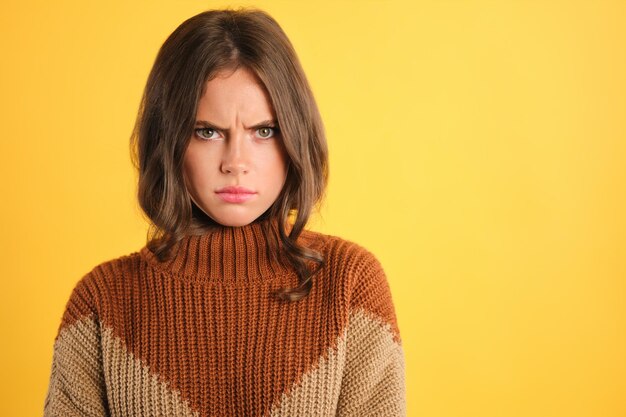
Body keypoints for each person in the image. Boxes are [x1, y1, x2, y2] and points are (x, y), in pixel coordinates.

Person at [43, 7, 405, 417]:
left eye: (263, 131)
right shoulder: (101, 304)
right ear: (169, 142)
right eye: (208, 132)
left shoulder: (350, 286)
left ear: (295, 138)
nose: (235, 162)